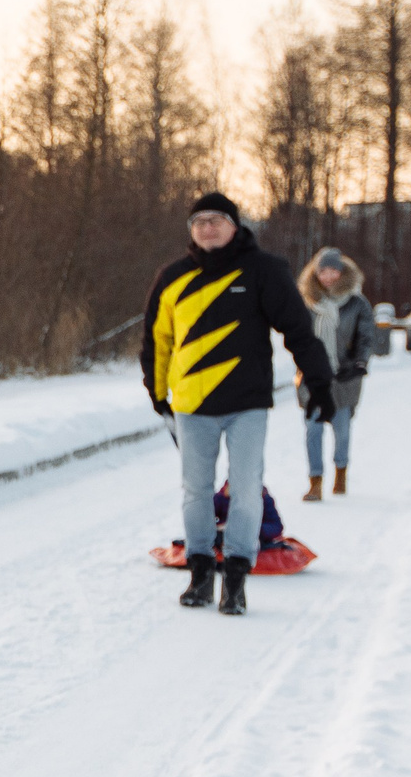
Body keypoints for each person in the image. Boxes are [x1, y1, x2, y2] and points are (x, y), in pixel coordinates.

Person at [141, 192, 335, 617]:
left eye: (216, 219)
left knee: (246, 488)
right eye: (199, 221)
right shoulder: (172, 277)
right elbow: (158, 341)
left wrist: (320, 385)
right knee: (195, 490)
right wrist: (158, 395)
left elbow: (298, 331)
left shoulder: (264, 270)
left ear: (234, 224)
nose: (207, 227)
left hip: (247, 403)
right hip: (192, 406)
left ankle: (236, 578)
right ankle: (200, 572)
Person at [294, 247, 377, 500]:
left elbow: (366, 335)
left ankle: (340, 472)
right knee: (313, 428)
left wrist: (359, 362)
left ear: (342, 272)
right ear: (315, 273)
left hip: (344, 377)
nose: (328, 276)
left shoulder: (356, 302)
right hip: (312, 377)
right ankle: (315, 481)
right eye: (323, 271)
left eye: (333, 271)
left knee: (341, 428)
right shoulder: (306, 301)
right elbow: (297, 336)